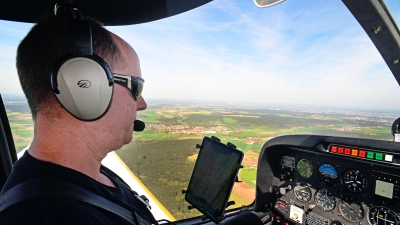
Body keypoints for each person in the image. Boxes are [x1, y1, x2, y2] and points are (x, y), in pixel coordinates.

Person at [0, 15, 153, 225]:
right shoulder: (49, 216)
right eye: (136, 87)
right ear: (85, 87)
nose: (142, 103)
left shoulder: (87, 174)